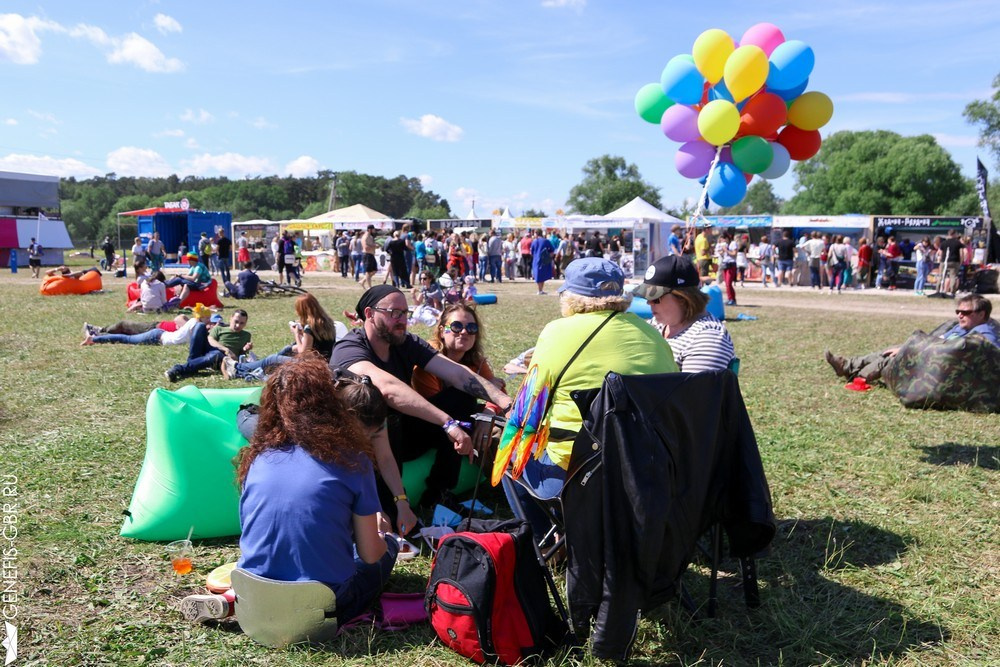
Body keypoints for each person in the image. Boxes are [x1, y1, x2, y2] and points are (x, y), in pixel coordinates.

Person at [181, 357, 398, 625]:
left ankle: (233, 599)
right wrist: (381, 533)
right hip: (323, 601)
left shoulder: (259, 454)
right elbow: (369, 554)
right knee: (386, 548)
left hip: (254, 586)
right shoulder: (354, 461)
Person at [502, 257, 678, 539]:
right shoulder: (652, 335)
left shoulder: (557, 332)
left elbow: (529, 404)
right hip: (645, 470)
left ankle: (545, 539)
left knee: (510, 454)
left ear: (569, 297)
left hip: (578, 472)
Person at [329, 285, 512, 534]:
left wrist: (506, 404)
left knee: (461, 397)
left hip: (403, 433)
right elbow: (387, 388)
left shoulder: (406, 342)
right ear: (370, 314)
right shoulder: (349, 348)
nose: (402, 320)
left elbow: (457, 373)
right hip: (363, 440)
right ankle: (388, 512)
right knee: (385, 415)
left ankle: (438, 494)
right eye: (394, 313)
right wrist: (447, 423)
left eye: (405, 313)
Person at [824, 295, 998, 383]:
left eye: (965, 312)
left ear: (982, 314)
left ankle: (856, 376)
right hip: (932, 357)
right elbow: (940, 339)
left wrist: (913, 350)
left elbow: (957, 352)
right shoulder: (962, 327)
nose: (960, 315)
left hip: (941, 369)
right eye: (958, 312)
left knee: (893, 359)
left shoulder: (985, 333)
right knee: (893, 349)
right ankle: (848, 365)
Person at [636, 255, 735, 372]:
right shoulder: (658, 324)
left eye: (655, 297)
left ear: (683, 298)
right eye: (646, 296)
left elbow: (695, 389)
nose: (649, 302)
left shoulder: (707, 338)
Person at [224, 293, 337, 380]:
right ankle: (250, 366)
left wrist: (297, 334)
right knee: (288, 350)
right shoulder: (327, 322)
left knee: (271, 359)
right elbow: (318, 344)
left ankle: (237, 368)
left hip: (312, 366)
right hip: (325, 363)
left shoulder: (310, 327)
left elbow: (304, 353)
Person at [165, 309, 252, 382]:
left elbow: (240, 356)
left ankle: (179, 369)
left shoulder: (246, 335)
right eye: (236, 321)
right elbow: (210, 340)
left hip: (222, 359)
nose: (238, 325)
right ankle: (193, 364)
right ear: (231, 318)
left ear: (245, 323)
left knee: (216, 354)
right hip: (212, 349)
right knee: (200, 325)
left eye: (242, 323)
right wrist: (225, 349)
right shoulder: (219, 328)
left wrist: (245, 349)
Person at [83, 311, 220, 346]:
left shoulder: (199, 328)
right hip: (157, 334)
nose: (210, 323)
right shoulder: (195, 323)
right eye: (209, 320)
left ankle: (96, 337)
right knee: (126, 337)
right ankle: (95, 337)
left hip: (159, 334)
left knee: (126, 335)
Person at [530, 229, 554, 295]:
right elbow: (552, 251)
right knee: (542, 275)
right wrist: (549, 256)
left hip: (536, 259)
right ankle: (540, 290)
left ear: (536, 234)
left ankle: (540, 290)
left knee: (537, 274)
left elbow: (531, 252)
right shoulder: (546, 241)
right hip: (544, 260)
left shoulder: (534, 242)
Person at [361, 225, 378, 290]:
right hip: (367, 255)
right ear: (370, 229)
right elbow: (366, 247)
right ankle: (369, 287)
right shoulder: (366, 236)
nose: (374, 231)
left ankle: (363, 281)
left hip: (371, 255)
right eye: (373, 229)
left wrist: (374, 245)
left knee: (374, 270)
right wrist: (374, 246)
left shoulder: (370, 236)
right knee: (368, 271)